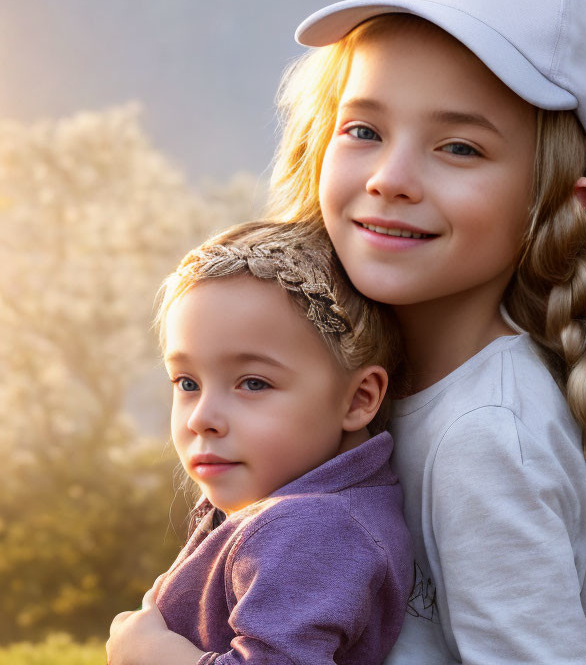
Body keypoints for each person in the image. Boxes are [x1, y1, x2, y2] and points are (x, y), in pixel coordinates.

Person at [109, 0, 586, 665]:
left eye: (459, 147)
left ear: (558, 206)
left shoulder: (487, 440)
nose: (391, 177)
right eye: (363, 129)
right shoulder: (354, 391)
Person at [107, 221, 412, 665]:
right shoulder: (296, 507)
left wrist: (153, 656)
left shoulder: (313, 528)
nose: (201, 418)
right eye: (187, 382)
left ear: (358, 399)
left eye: (252, 383)